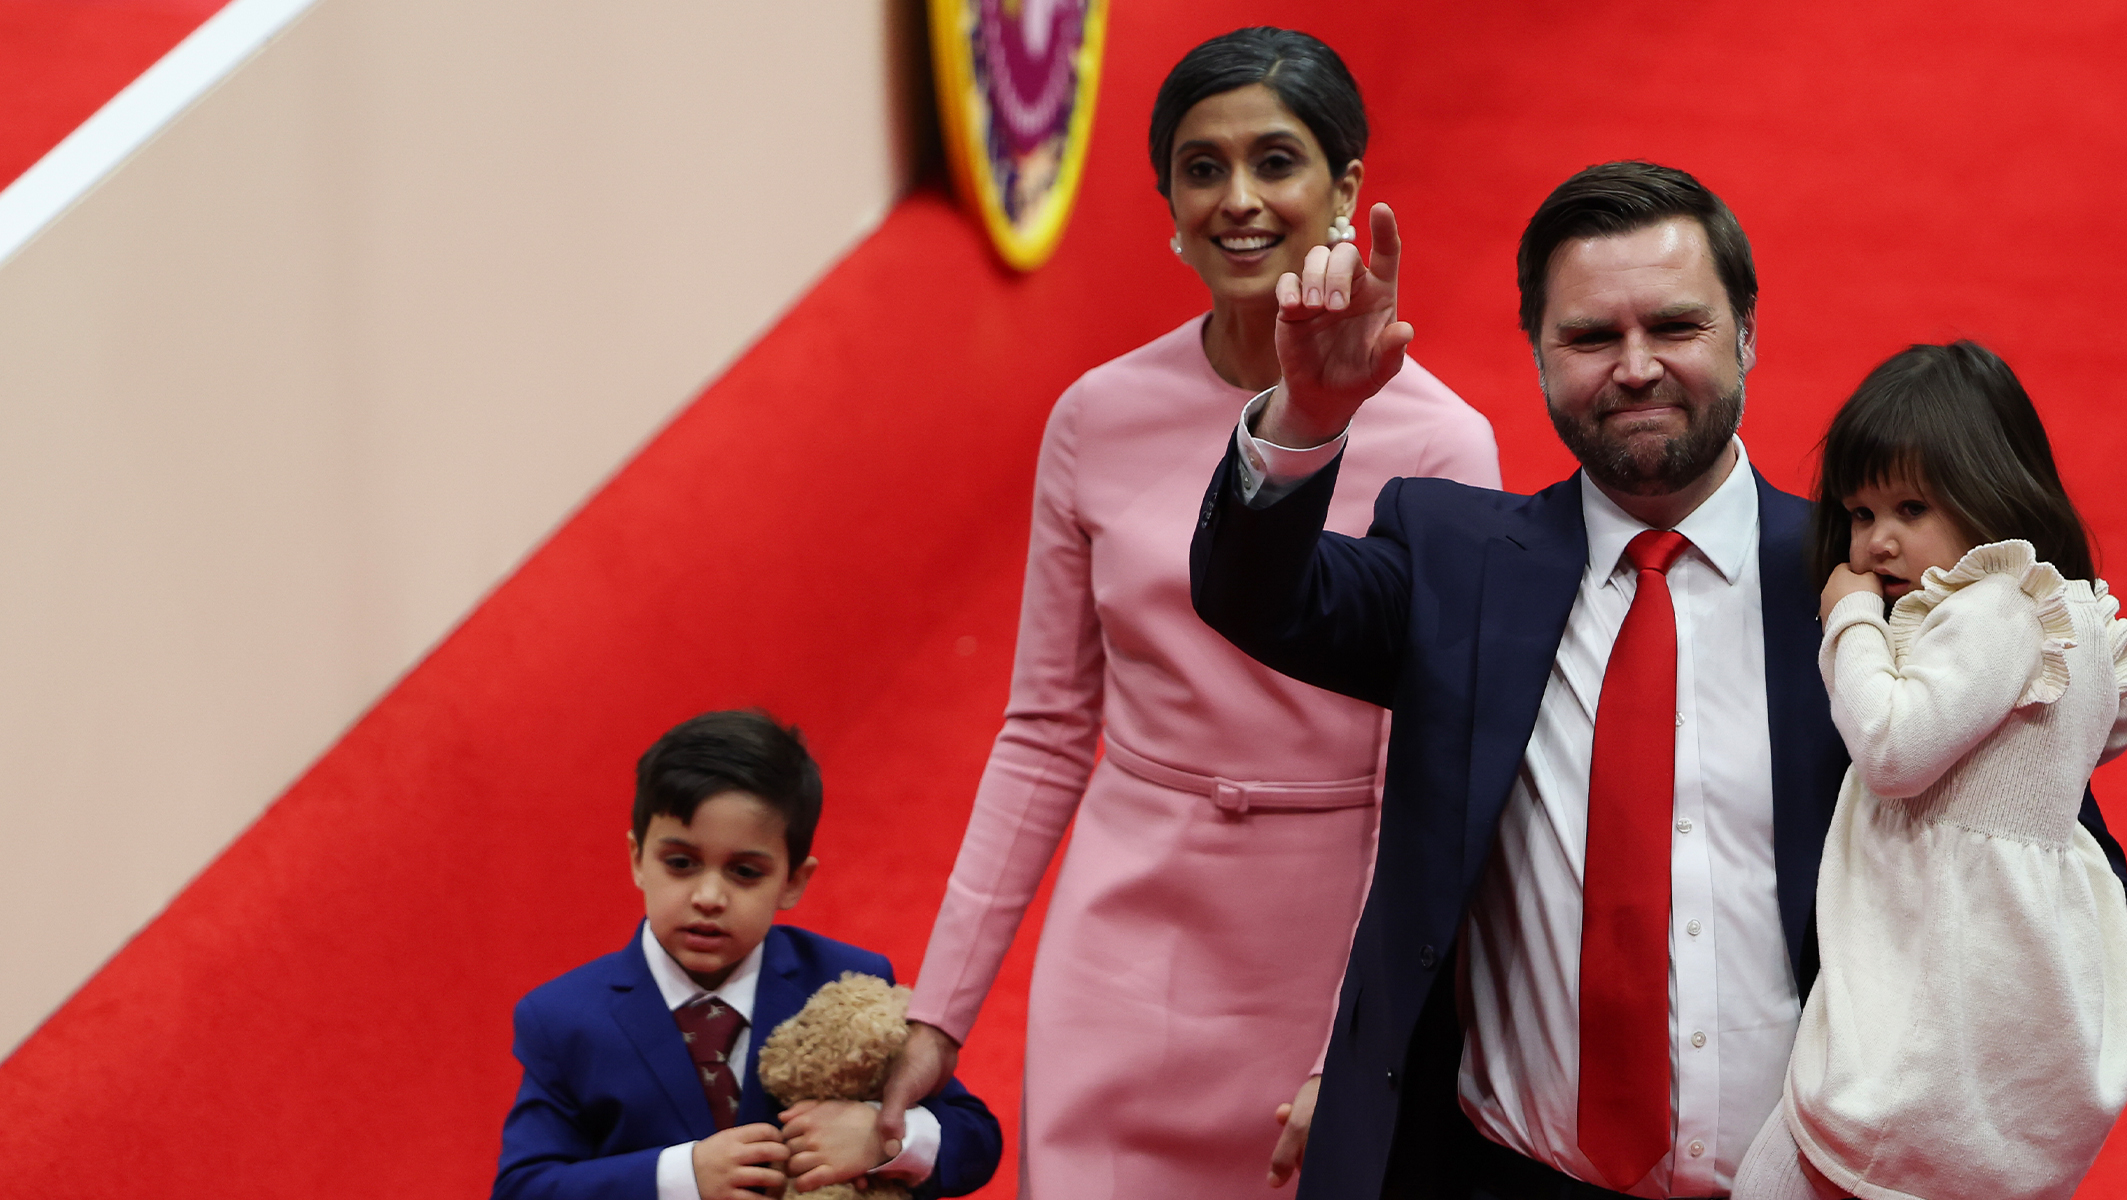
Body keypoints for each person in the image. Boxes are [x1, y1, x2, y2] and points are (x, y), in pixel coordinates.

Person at [1188, 162, 2127, 1199]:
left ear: (1746, 336)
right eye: (1592, 337)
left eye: (1676, 328)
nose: (1635, 368)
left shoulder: (1872, 588)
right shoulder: (1454, 560)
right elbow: (1258, 599)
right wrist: (1308, 415)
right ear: (1539, 353)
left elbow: (2048, 862)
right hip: (1501, 1169)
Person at [880, 26, 1501, 1198]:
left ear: (1348, 187)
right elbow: (1047, 729)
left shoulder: (1445, 444)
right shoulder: (1094, 418)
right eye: (1201, 168)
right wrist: (940, 1013)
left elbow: (1438, 776)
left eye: (1277, 161)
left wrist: (1358, 1049)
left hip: (1324, 949)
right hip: (1122, 943)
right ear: (1166, 198)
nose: (1239, 200)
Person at [1728, 343, 2127, 1200]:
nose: (1873, 541)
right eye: (1857, 512)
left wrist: (1849, 621)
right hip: (2014, 957)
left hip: (1945, 974)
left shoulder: (1995, 605)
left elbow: (1890, 750)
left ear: (1992, 490)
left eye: (1910, 507)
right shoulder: (2065, 609)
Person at [492, 710, 1002, 1200]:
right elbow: (522, 1188)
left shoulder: (847, 983)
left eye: (745, 872)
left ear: (793, 881)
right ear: (637, 860)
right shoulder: (561, 1020)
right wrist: (681, 1178)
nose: (709, 896)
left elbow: (977, 1139)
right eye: (681, 863)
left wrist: (884, 1136)